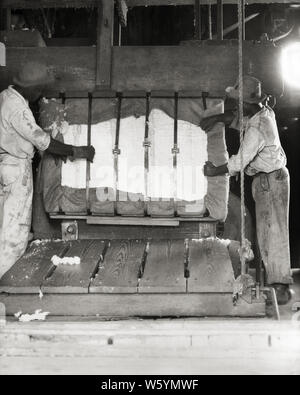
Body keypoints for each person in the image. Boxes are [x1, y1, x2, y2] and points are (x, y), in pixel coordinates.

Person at [201, 75, 293, 305]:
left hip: (271, 181)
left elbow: (239, 161)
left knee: (274, 234)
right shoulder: (262, 113)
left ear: (248, 103)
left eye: (239, 102)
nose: (237, 105)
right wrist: (221, 118)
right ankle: (276, 284)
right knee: (266, 232)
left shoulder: (260, 126)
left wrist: (216, 171)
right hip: (267, 180)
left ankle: (280, 288)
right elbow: (243, 121)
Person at [0, 61, 95, 278]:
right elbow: (44, 141)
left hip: (7, 165)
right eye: (39, 89)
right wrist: (78, 151)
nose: (41, 93)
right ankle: (7, 281)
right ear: (30, 87)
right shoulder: (17, 110)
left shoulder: (5, 97)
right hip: (15, 169)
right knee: (15, 227)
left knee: (5, 222)